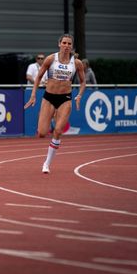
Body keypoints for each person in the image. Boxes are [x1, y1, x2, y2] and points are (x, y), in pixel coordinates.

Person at [24, 33, 86, 174]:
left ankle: (46, 163)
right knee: (42, 133)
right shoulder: (51, 59)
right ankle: (47, 117)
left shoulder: (76, 63)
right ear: (59, 44)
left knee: (58, 131)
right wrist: (33, 95)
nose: (66, 46)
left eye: (69, 44)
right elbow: (39, 77)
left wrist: (79, 95)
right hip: (49, 98)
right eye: (64, 43)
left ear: (72, 46)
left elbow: (83, 82)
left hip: (65, 99)